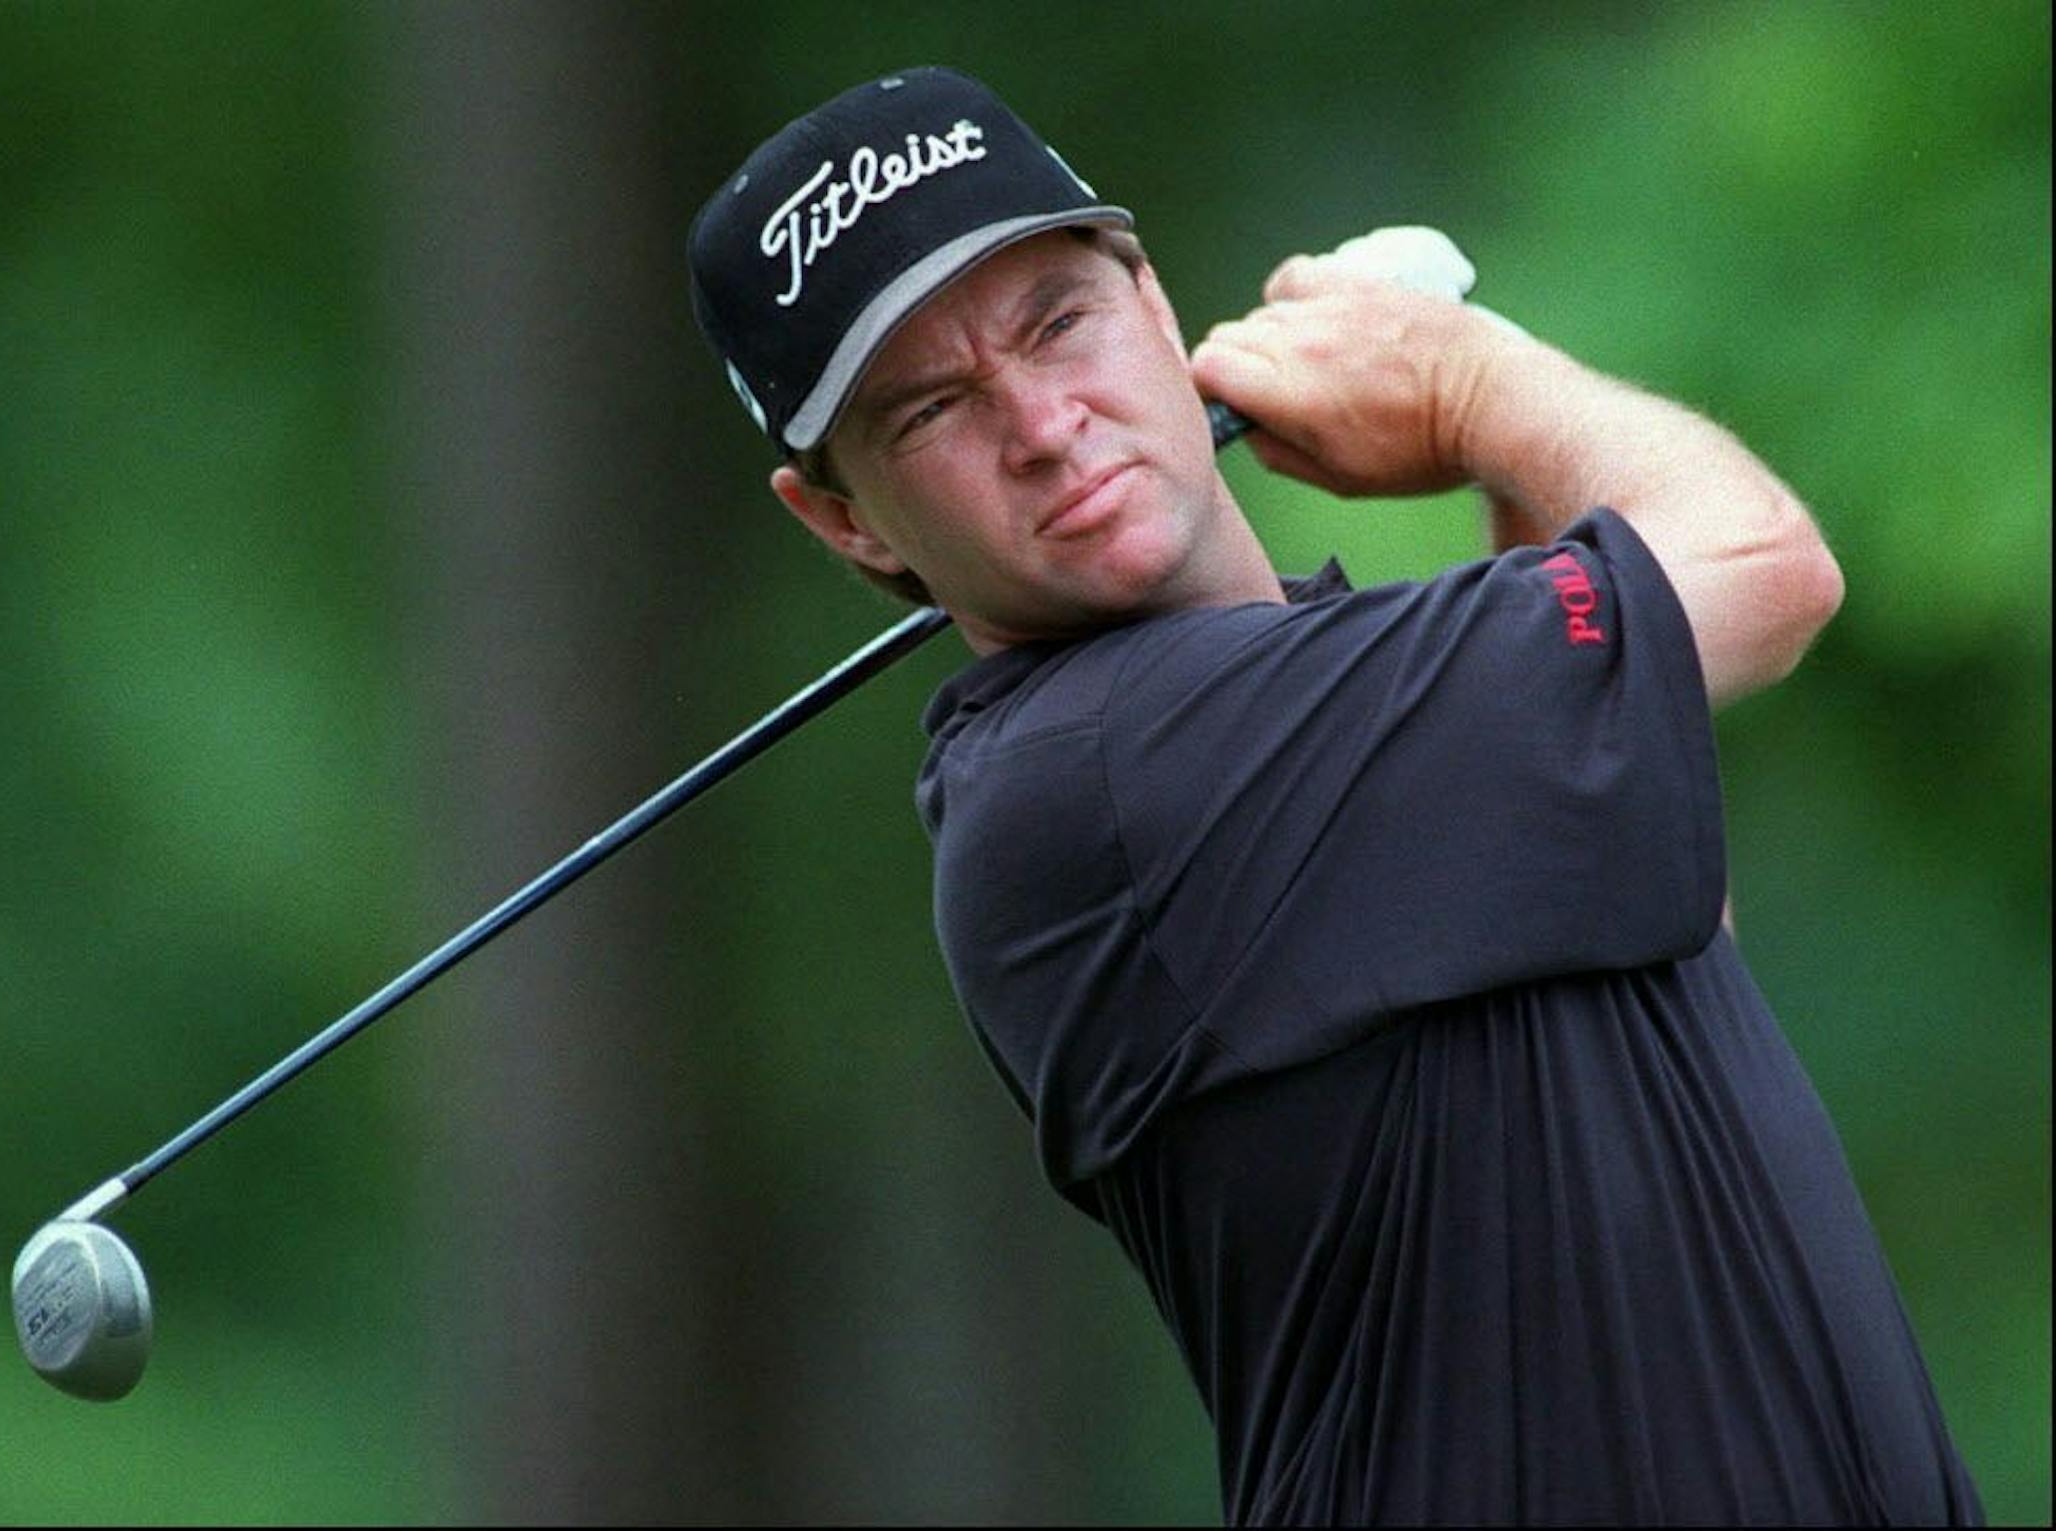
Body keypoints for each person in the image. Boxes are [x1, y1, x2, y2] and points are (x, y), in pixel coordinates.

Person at [687, 67, 1984, 1526]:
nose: (1045, 425)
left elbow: (1671, 925)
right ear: (845, 519)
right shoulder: (1104, 771)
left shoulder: (1317, 715)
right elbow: (1763, 571)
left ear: (1157, 306)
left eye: (1061, 324)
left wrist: (1488, 442)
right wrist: (1464, 381)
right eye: (930, 410)